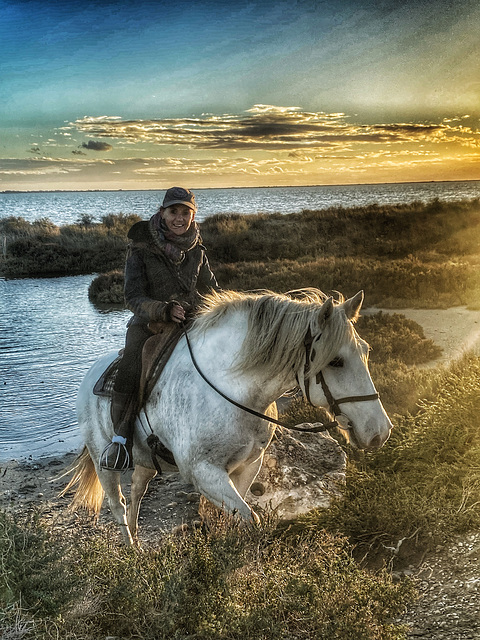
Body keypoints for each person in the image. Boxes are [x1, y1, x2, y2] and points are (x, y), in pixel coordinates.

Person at [100, 187, 220, 471]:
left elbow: (212, 290)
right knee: (131, 365)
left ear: (193, 214)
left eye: (185, 212)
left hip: (190, 320)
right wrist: (164, 309)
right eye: (173, 212)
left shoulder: (197, 249)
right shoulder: (140, 249)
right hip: (149, 324)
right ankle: (121, 440)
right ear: (162, 212)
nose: (179, 218)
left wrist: (222, 309)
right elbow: (132, 297)